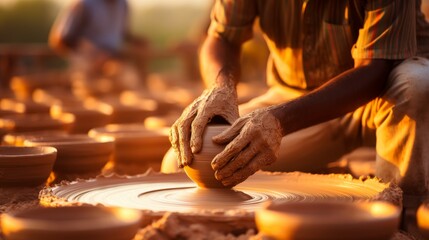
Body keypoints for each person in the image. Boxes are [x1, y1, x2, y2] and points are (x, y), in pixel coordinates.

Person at [170, 0, 429, 203]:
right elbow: (223, 37)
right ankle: (325, 180)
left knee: (417, 84)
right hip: (295, 99)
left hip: (385, 93)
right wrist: (220, 87)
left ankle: (404, 216)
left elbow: (376, 68)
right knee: (179, 163)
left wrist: (279, 121)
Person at [48, 0, 148, 97]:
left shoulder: (123, 4)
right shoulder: (84, 4)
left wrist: (138, 42)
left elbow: (121, 33)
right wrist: (92, 53)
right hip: (87, 63)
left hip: (112, 61)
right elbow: (59, 40)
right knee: (88, 93)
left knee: (131, 84)